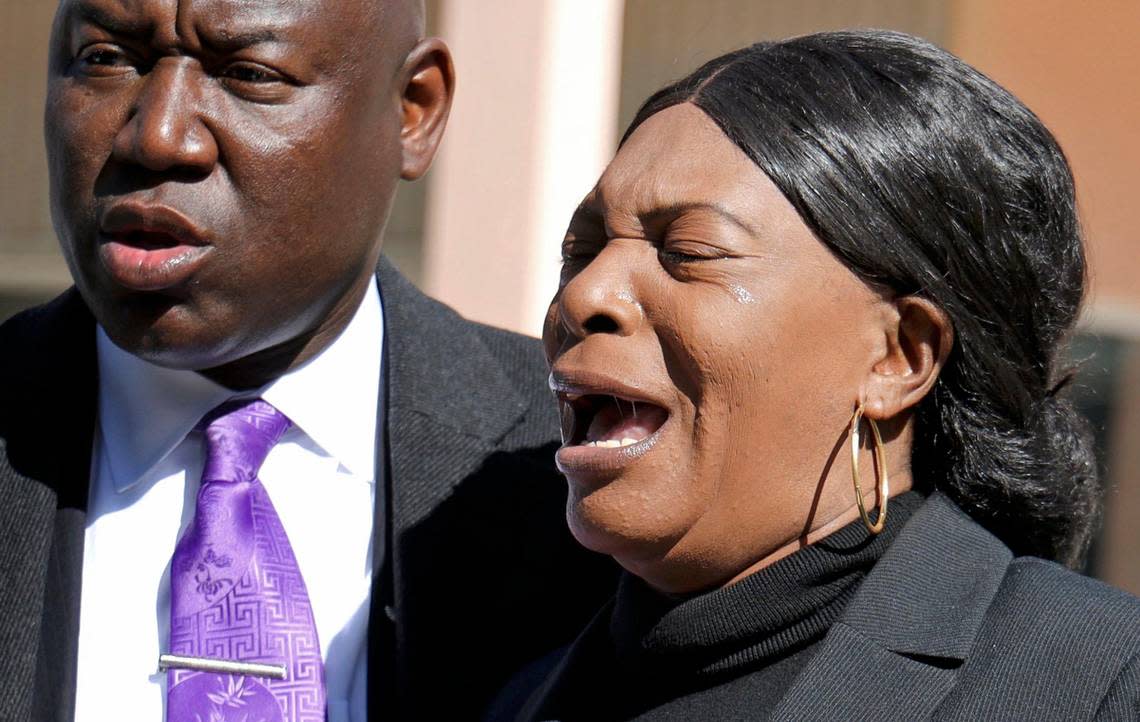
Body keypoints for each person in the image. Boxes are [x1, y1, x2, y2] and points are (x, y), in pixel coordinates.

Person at [0, 1, 614, 720]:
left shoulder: (580, 471)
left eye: (249, 74)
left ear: (413, 110)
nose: (158, 136)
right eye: (107, 58)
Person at [500, 30, 1140, 720]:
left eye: (688, 251)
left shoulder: (1094, 682)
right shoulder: (517, 697)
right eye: (584, 249)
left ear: (899, 358)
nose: (584, 296)